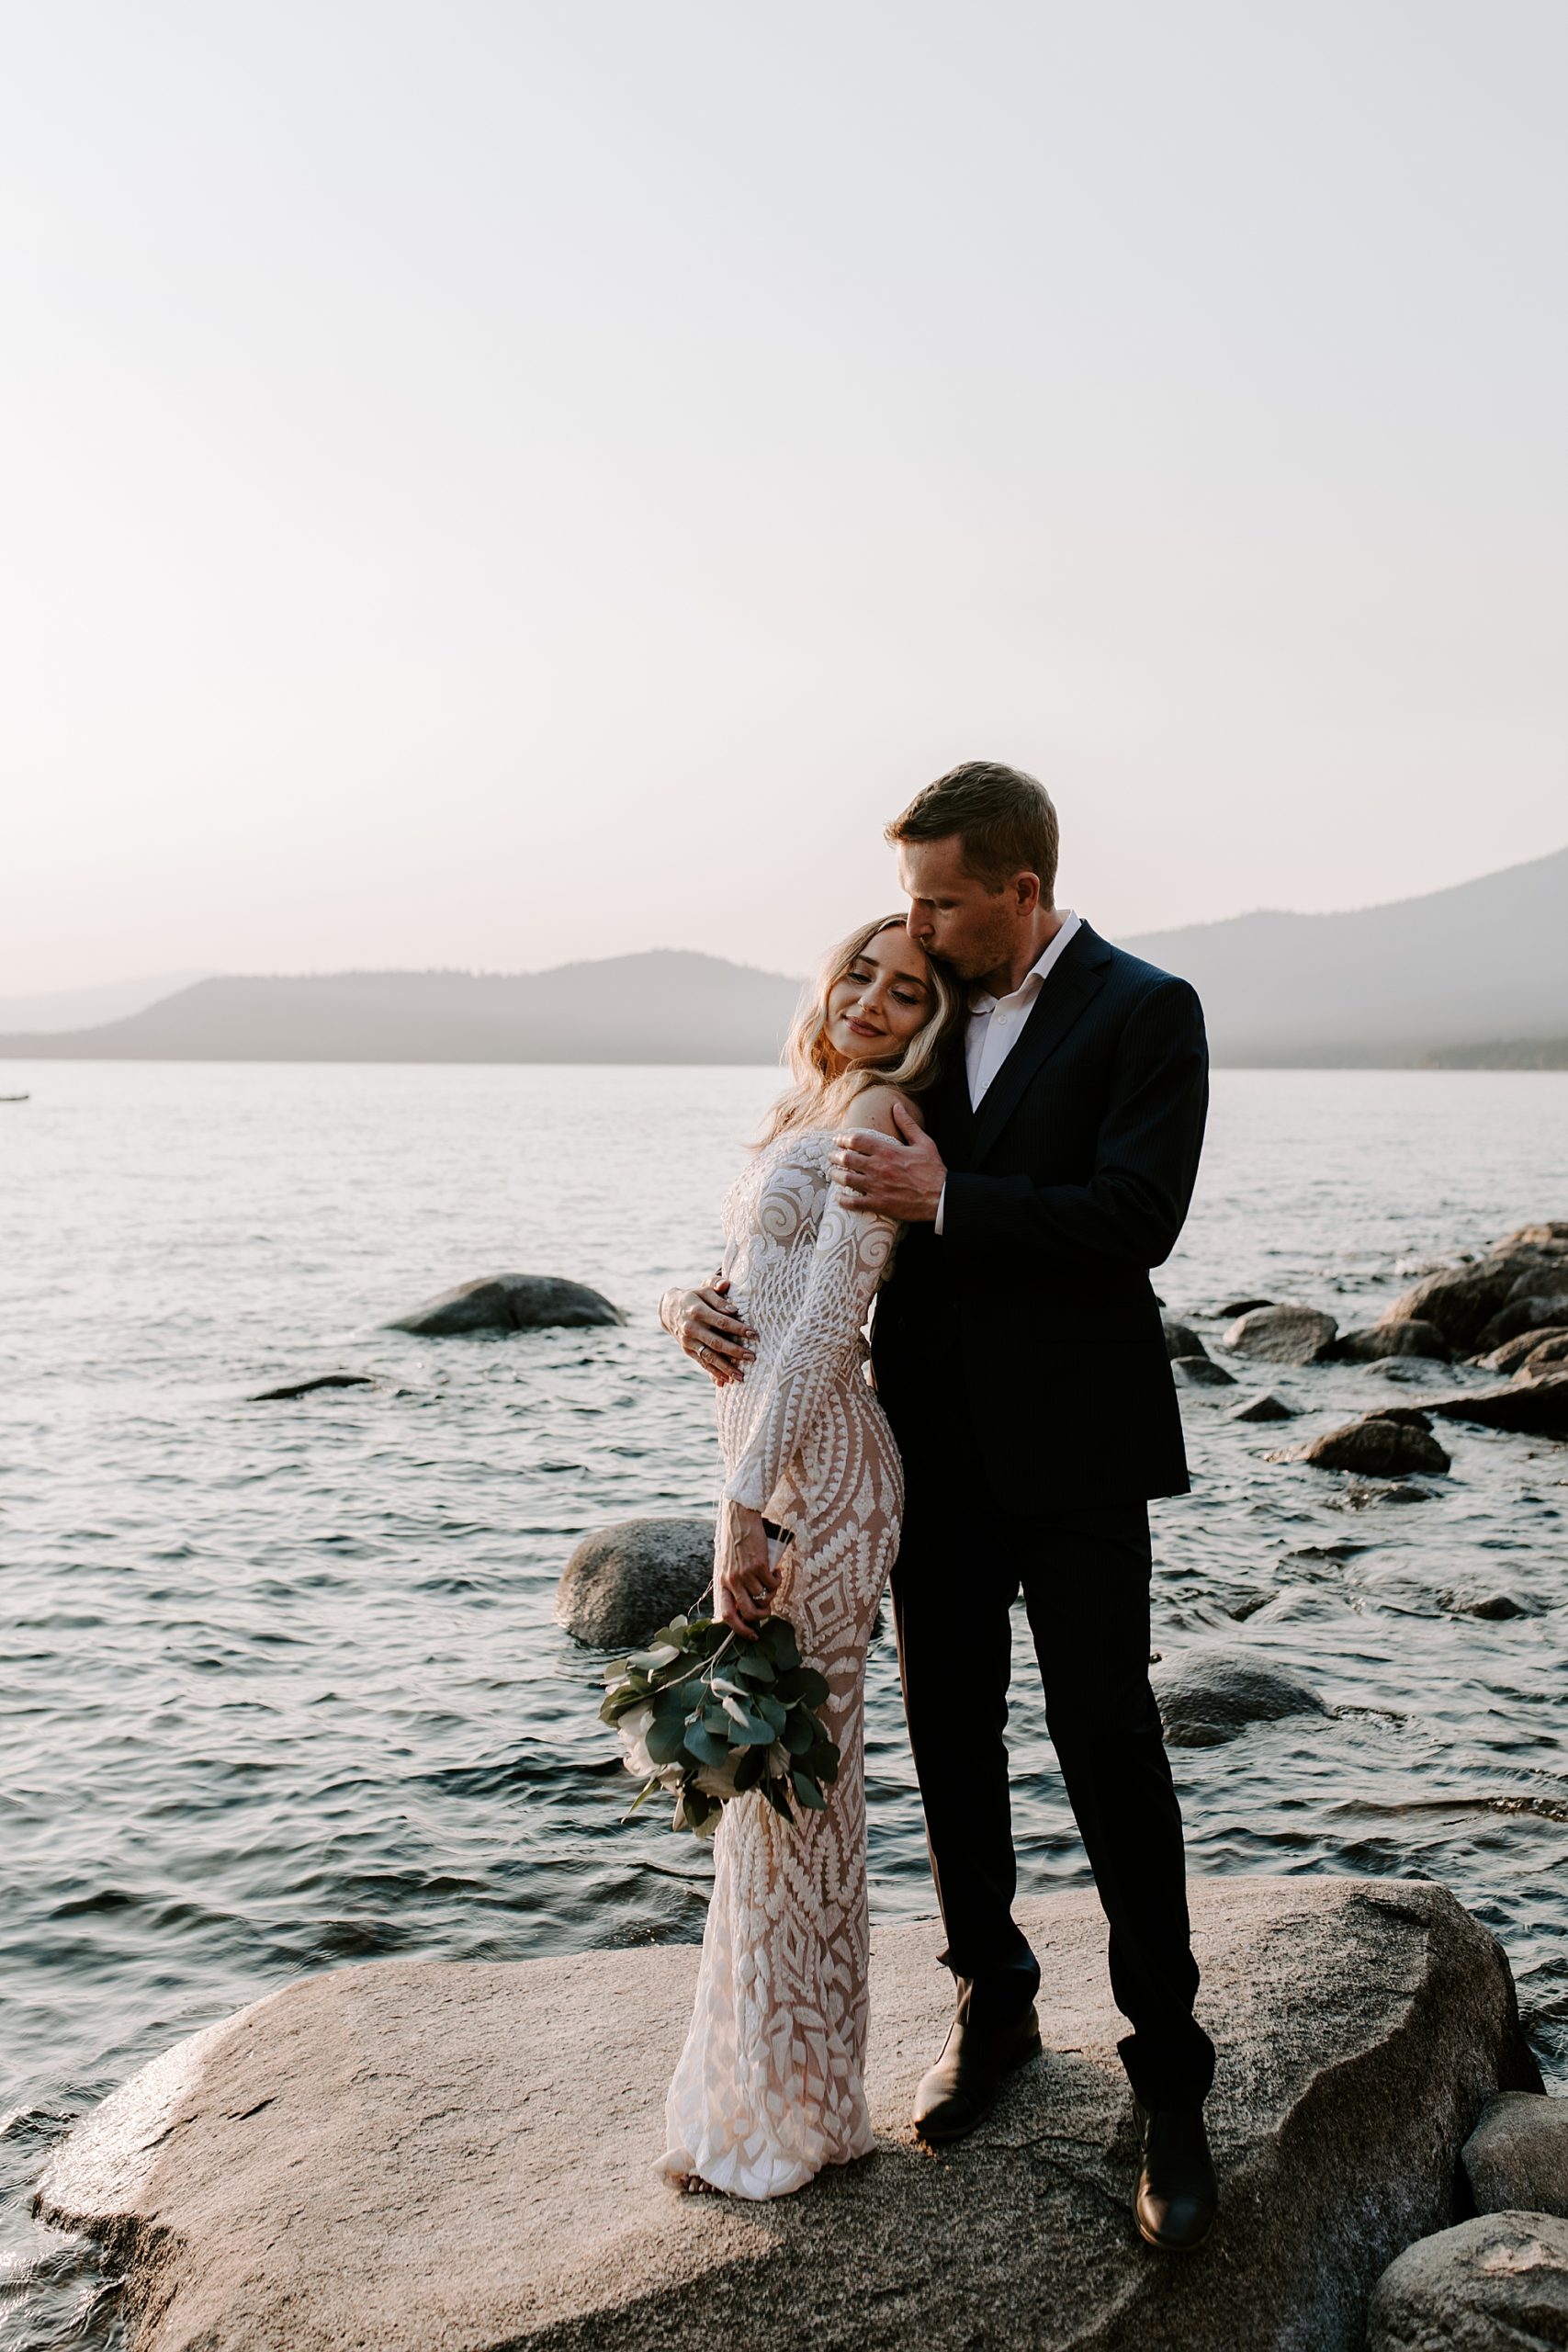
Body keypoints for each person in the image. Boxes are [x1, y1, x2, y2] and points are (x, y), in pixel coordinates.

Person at [671, 761, 1220, 2253]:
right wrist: (702, 1306)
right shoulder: (927, 1015)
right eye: (906, 903)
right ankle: (996, 2005)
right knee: (948, 1736)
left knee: (1108, 1740)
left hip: (1084, 1453)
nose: (912, 925)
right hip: (925, 1453)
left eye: (939, 900)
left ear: (1020, 892)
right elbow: (808, 1242)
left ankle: (1170, 2080)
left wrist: (953, 1203)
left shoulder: (1144, 1011)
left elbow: (1135, 1220)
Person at [655, 912, 964, 2199]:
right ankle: (780, 2098)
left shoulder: (883, 1120)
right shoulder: (811, 1103)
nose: (875, 999)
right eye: (862, 973)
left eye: (907, 992)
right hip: (772, 1471)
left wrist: (746, 1508)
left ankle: (795, 2110)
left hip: (825, 1483)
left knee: (793, 1797)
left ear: (929, 1025)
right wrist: (681, 1306)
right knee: (778, 1800)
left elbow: (833, 1323)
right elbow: (755, 1283)